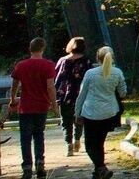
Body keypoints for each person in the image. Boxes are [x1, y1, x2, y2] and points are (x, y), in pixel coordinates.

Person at [71, 46, 127, 179]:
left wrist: (77, 113)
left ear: (98, 58)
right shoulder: (117, 72)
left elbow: (82, 95)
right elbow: (123, 92)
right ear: (112, 57)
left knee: (90, 145)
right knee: (99, 142)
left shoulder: (90, 73)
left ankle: (101, 168)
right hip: (109, 112)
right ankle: (98, 171)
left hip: (91, 112)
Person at [7, 38, 54, 179]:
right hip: (42, 105)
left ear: (30, 48)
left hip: (26, 107)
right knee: (39, 134)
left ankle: (27, 166)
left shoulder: (21, 65)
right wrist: (54, 104)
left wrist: (13, 100)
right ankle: (40, 162)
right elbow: (50, 86)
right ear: (43, 48)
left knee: (25, 137)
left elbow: (14, 85)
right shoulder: (48, 65)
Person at [54, 38, 92, 157]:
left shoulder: (62, 61)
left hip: (65, 94)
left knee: (66, 121)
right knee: (79, 119)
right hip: (81, 94)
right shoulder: (86, 61)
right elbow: (90, 78)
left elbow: (56, 78)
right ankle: (77, 140)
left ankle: (68, 144)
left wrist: (55, 93)